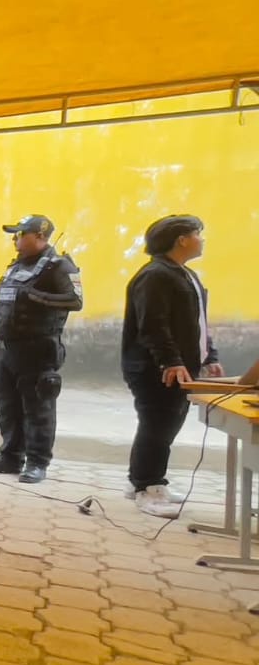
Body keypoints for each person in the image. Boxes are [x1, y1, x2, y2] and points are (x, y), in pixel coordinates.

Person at [121, 214, 221, 518]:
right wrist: (171, 361)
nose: (202, 240)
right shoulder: (155, 275)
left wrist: (209, 356)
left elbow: (197, 323)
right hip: (156, 368)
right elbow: (153, 324)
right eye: (198, 233)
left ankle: (144, 480)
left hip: (181, 367)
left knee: (166, 425)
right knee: (157, 425)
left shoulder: (184, 274)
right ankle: (147, 487)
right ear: (182, 240)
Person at [0, 214, 83, 484]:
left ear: (40, 236)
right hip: (7, 348)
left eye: (21, 234)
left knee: (38, 409)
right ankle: (10, 457)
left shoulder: (59, 266)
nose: (16, 239)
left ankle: (37, 462)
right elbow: (1, 302)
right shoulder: (16, 266)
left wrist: (36, 296)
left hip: (38, 349)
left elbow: (75, 300)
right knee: (7, 405)